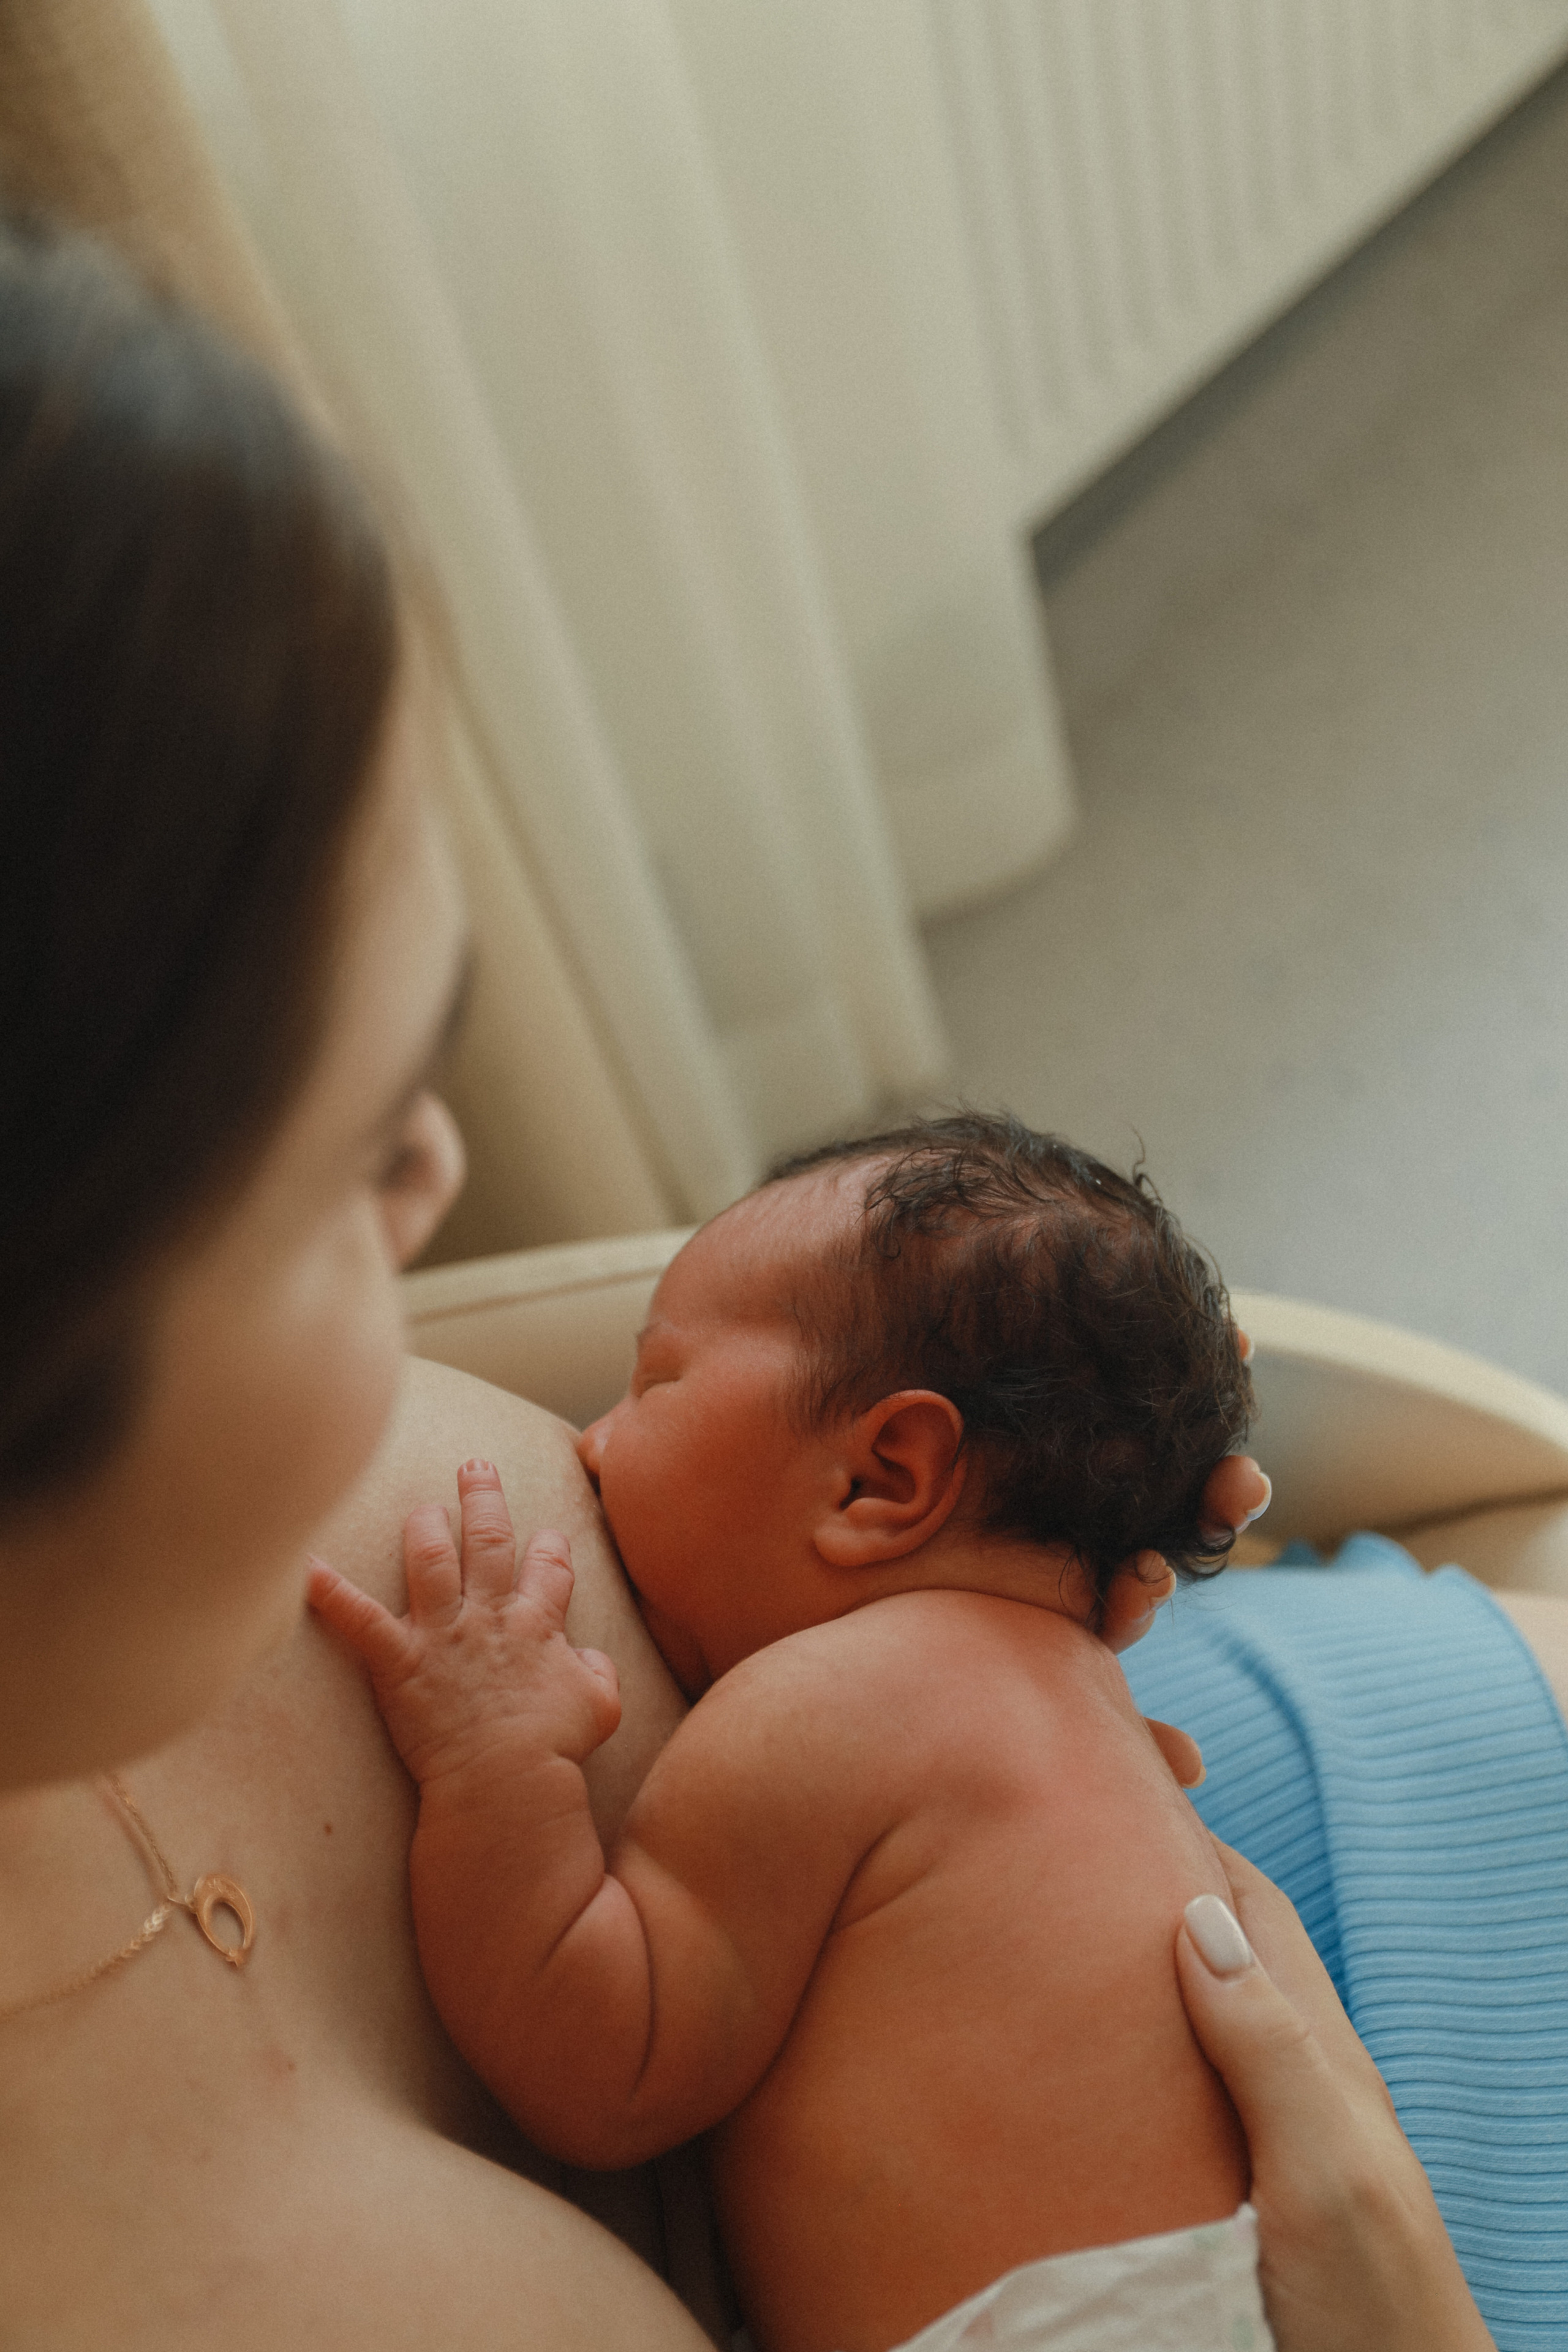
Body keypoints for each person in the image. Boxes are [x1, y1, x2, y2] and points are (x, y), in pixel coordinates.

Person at [0, 206, 1498, 2351]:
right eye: (355, 1149)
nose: (444, 1178)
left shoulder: (921, 1667)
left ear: (896, 1477)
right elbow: (617, 2038)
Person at [312, 1117, 1276, 2352]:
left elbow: (608, 2064)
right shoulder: (1093, 1701)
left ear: (882, 1477)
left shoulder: (830, 1701)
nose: (592, 1447)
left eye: (656, 1382)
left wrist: (494, 1760)